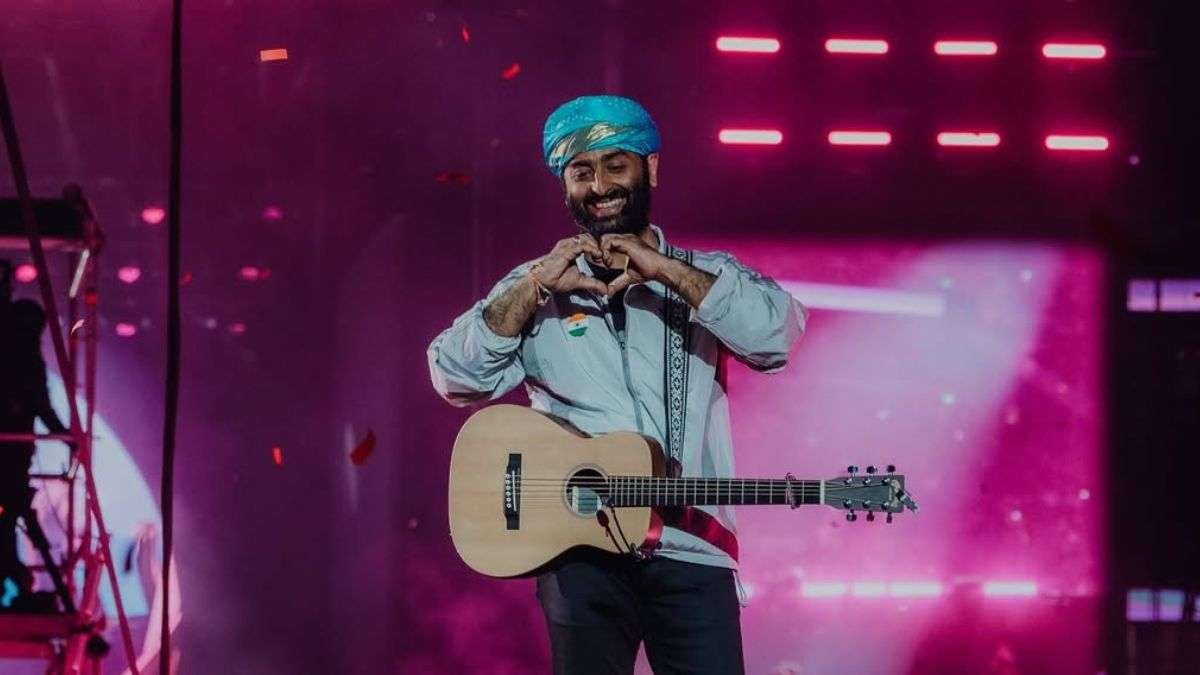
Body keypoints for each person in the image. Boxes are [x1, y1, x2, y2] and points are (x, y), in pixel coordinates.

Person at [427, 95, 806, 674]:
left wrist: (667, 271)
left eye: (615, 165)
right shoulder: (536, 283)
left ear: (650, 168)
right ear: (564, 185)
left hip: (694, 548)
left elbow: (777, 337)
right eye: (581, 172)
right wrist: (534, 287)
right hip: (579, 552)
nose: (600, 186)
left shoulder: (706, 273)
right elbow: (453, 376)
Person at [0, 259, 69, 607]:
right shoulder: (23, 346)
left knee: (8, 516)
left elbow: (38, 400)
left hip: (13, 450)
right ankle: (15, 578)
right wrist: (64, 435)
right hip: (12, 453)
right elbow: (39, 401)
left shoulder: (18, 339)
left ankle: (13, 576)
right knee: (9, 514)